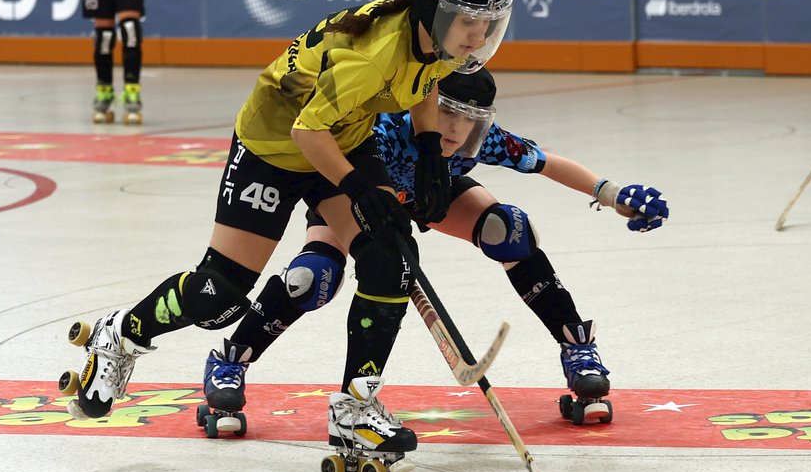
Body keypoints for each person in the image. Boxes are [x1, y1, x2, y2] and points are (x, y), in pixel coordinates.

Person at [61, 0, 513, 472]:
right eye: (471, 21)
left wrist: (426, 152)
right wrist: (361, 189)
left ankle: (355, 410)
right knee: (219, 295)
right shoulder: (371, 58)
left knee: (390, 255)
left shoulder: (437, 41)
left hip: (341, 134)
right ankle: (122, 334)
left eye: (490, 23)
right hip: (276, 144)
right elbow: (306, 130)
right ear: (437, 10)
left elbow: (422, 83)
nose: (481, 35)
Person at [198, 67, 668, 432]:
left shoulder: (475, 138)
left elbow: (547, 162)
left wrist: (613, 194)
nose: (457, 129)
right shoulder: (384, 127)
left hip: (428, 194)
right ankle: (229, 360)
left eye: (470, 120)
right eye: (447, 112)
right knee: (313, 280)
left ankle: (578, 350)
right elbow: (323, 163)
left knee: (511, 231)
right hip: (356, 196)